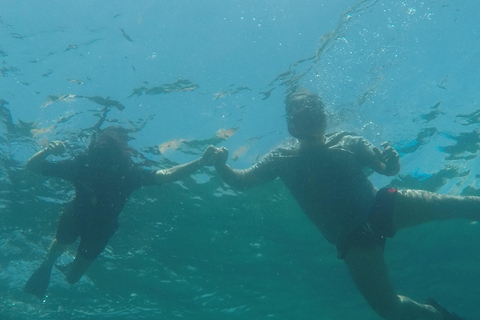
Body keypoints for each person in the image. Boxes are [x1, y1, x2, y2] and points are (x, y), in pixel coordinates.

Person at [212, 88, 476, 320]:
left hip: (379, 207)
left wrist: (392, 163)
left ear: (323, 117)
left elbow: (384, 168)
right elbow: (243, 181)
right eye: (299, 112)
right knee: (387, 309)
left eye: (311, 110)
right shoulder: (280, 156)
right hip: (353, 239)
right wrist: (221, 166)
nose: (306, 115)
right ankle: (435, 315)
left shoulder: (347, 140)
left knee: (460, 206)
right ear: (291, 123)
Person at [24, 127, 216, 299]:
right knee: (69, 266)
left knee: (72, 276)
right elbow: (166, 175)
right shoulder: (97, 167)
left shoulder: (119, 171)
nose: (104, 163)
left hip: (92, 225)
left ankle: (52, 263)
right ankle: (50, 263)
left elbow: (167, 175)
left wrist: (200, 162)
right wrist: (48, 150)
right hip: (89, 223)